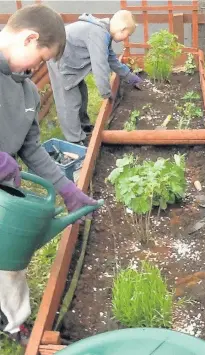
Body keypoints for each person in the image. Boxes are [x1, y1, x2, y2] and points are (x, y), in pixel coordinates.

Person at [0, 4, 98, 345]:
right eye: (40, 58)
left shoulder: (26, 90)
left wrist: (67, 189)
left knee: (10, 259)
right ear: (29, 38)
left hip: (5, 193)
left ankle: (13, 322)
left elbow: (32, 151)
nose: (38, 68)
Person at [47, 10, 142, 145]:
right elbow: (100, 66)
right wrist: (106, 92)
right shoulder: (98, 34)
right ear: (122, 29)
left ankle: (84, 127)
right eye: (128, 34)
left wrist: (129, 76)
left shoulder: (104, 33)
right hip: (61, 62)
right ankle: (74, 139)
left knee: (82, 95)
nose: (127, 38)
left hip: (72, 62)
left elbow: (110, 58)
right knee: (69, 102)